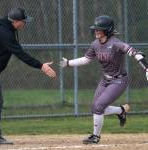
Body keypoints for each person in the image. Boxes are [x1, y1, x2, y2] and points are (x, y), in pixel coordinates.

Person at [60, 15, 148, 144]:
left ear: (107, 30)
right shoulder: (95, 44)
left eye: (99, 29)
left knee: (98, 107)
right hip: (105, 80)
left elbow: (136, 53)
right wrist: (69, 63)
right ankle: (121, 110)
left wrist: (146, 68)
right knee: (96, 108)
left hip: (119, 81)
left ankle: (95, 137)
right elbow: (86, 59)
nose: (96, 31)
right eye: (95, 29)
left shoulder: (116, 43)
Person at [0, 8, 56, 144]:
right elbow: (20, 53)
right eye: (23, 21)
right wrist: (41, 65)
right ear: (15, 21)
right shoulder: (4, 33)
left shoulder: (5, 29)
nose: (25, 24)